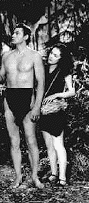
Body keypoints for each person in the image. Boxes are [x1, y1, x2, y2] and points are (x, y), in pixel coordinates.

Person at [0, 23, 45, 189]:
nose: (13, 35)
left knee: (31, 141)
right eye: (13, 32)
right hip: (10, 99)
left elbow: (41, 83)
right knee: (14, 141)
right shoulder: (6, 56)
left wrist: (37, 106)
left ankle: (34, 177)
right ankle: (18, 177)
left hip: (28, 99)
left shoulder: (35, 56)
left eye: (17, 33)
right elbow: (0, 78)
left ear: (25, 37)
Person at [40, 43, 75, 187]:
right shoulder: (43, 68)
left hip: (55, 111)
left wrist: (56, 94)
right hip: (43, 110)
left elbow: (72, 92)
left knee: (58, 145)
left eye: (55, 55)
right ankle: (54, 174)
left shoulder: (64, 70)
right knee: (49, 145)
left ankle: (62, 178)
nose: (51, 57)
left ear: (61, 58)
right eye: (51, 53)